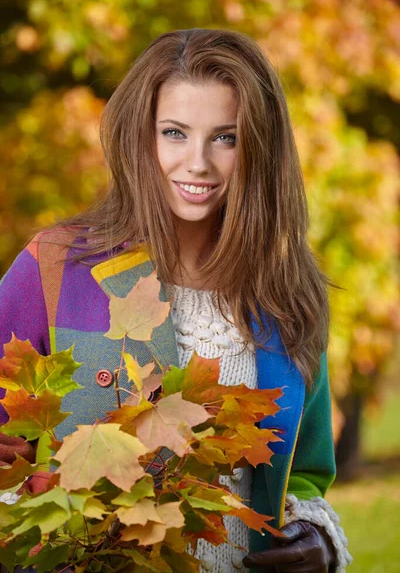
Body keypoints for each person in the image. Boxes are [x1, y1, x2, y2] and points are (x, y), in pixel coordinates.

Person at [0, 28, 352, 573]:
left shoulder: (287, 295)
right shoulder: (54, 267)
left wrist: (318, 539)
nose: (198, 163)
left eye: (225, 138)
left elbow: (305, 473)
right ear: (141, 136)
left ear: (260, 146)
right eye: (174, 133)